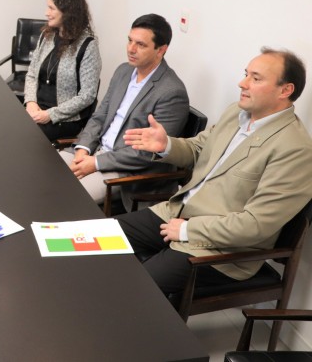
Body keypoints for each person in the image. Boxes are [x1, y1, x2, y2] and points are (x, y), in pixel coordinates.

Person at [118, 48, 312, 294]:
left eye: (256, 78)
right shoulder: (237, 113)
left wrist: (189, 230)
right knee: (97, 238)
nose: (242, 83)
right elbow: (199, 149)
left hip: (221, 248)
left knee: (134, 288)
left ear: (286, 90)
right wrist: (166, 144)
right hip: (176, 212)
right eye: (246, 74)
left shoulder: (295, 149)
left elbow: (255, 225)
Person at [60, 14, 189, 208]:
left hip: (126, 171)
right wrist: (83, 149)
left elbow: (146, 154)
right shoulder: (123, 71)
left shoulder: (172, 92)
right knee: (45, 172)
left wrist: (95, 163)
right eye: (129, 40)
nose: (131, 49)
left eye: (141, 45)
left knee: (68, 196)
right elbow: (100, 115)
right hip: (95, 151)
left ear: (161, 50)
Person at [23, 0, 102, 142]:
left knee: (23, 136)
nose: (46, 13)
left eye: (51, 8)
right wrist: (31, 102)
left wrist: (50, 115)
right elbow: (31, 74)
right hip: (38, 110)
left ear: (67, 11)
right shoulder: (46, 36)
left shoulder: (87, 46)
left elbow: (87, 95)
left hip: (67, 119)